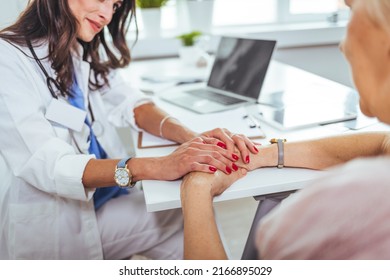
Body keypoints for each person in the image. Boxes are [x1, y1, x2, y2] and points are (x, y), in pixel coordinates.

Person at [0, 0, 259, 259]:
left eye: (115, 4)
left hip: (105, 199)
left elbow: (130, 102)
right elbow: (49, 164)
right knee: (191, 214)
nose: (107, 15)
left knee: (186, 236)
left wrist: (191, 137)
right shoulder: (8, 58)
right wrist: (158, 166)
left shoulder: (76, 48)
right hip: (61, 224)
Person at [180, 0, 390, 260]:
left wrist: (196, 191)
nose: (342, 44)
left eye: (353, 10)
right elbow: (383, 145)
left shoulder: (336, 207)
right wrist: (262, 154)